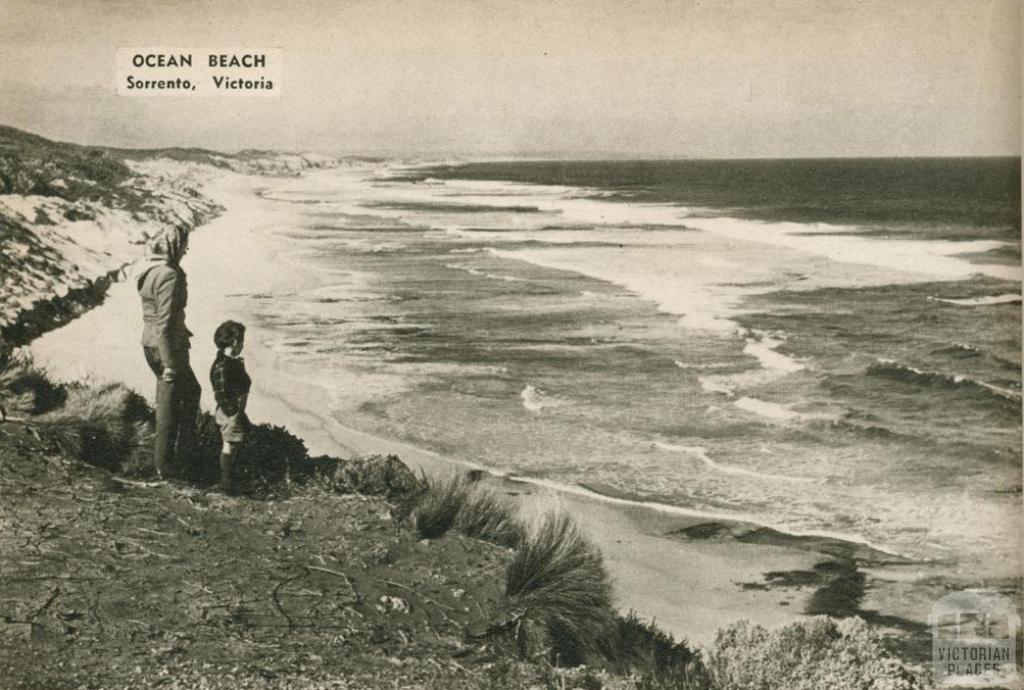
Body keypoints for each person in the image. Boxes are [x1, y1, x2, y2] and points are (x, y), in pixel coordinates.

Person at [134, 225, 201, 479]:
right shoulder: (170, 275)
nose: (186, 249)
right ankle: (169, 466)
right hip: (167, 347)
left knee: (181, 397)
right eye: (184, 243)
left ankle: (172, 462)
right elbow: (164, 323)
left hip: (149, 344)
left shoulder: (148, 270)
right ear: (174, 245)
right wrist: (170, 363)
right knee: (170, 406)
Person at [210, 320, 251, 494]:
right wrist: (233, 412)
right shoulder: (222, 365)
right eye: (241, 341)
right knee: (229, 444)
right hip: (230, 411)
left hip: (234, 409)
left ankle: (232, 480)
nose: (242, 345)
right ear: (235, 342)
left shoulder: (229, 362)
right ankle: (227, 483)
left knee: (235, 443)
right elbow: (220, 392)